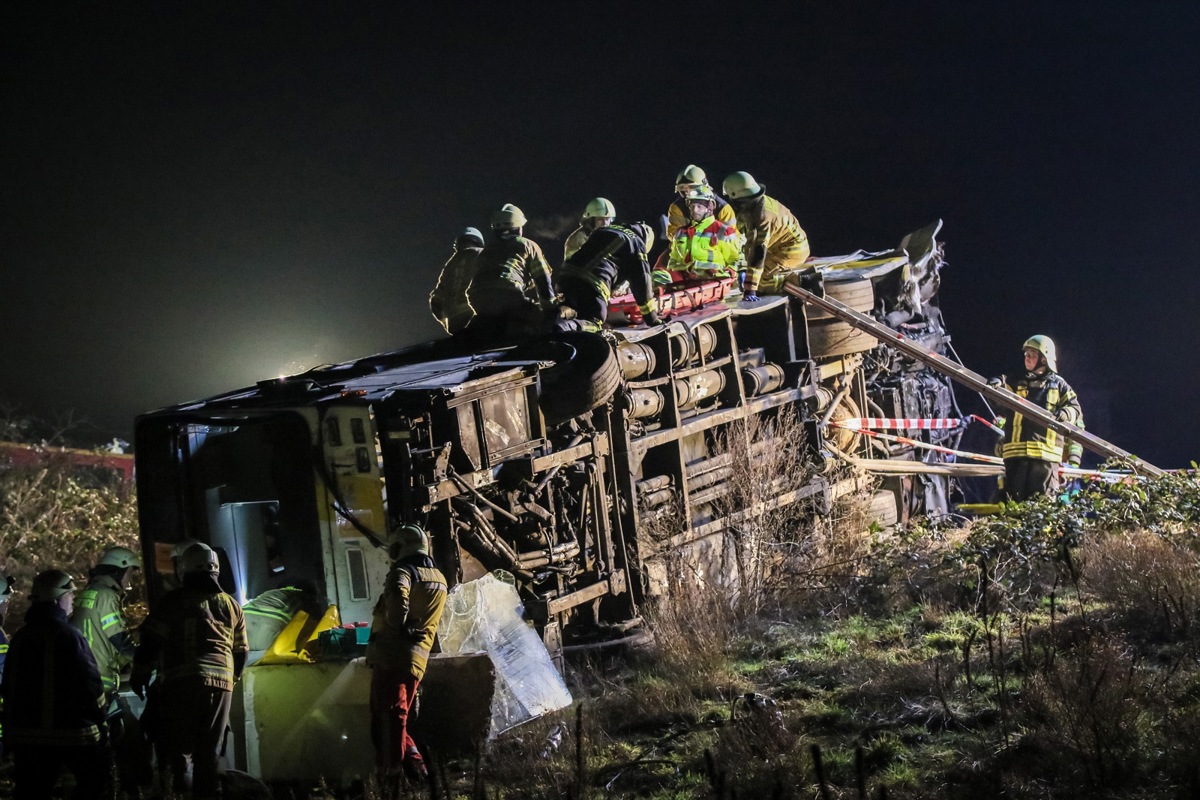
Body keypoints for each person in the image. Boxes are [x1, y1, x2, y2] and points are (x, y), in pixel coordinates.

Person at [131, 542, 248, 800]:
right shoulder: (232, 605)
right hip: (222, 686)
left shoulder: (173, 602)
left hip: (180, 684)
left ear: (184, 569)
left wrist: (139, 675)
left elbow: (151, 641)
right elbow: (241, 652)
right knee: (209, 753)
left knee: (179, 751)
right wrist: (230, 681)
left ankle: (180, 794)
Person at [2, 570, 111, 800]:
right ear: (56, 599)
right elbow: (90, 685)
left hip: (26, 739)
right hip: (71, 734)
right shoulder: (70, 636)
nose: (72, 600)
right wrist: (101, 718)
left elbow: (9, 686)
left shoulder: (21, 638)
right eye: (69, 595)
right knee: (94, 784)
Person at [366, 523, 448, 784]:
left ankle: (391, 778)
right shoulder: (440, 579)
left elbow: (398, 604)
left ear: (401, 547)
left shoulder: (403, 572)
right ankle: (418, 771)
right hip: (416, 661)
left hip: (392, 656)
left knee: (387, 719)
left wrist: (396, 625)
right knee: (399, 718)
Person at [992, 335, 1084, 502]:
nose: (1027, 358)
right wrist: (998, 381)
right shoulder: (1017, 382)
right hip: (1015, 454)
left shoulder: (1059, 385)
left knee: (1042, 504)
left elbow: (1075, 409)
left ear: (1044, 359)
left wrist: (1064, 414)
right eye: (1026, 354)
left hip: (1046, 458)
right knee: (1013, 504)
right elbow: (1002, 388)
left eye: (1032, 355)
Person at [71, 546, 140, 732]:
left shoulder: (89, 592)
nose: (130, 580)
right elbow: (118, 639)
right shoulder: (107, 596)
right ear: (119, 570)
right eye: (129, 574)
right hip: (100, 681)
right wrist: (145, 658)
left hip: (84, 677)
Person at [464, 203, 556, 342]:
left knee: (492, 322)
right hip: (508, 295)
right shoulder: (527, 244)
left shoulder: (487, 249)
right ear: (518, 227)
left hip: (477, 297)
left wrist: (524, 284)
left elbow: (494, 277)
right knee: (534, 316)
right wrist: (550, 310)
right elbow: (543, 280)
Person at [554, 221, 661, 331]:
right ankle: (565, 328)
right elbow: (642, 283)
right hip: (593, 283)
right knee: (594, 321)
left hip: (566, 275)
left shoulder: (605, 229)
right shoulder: (636, 242)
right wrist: (652, 319)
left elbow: (606, 259)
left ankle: (556, 315)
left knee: (574, 309)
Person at [721, 171, 811, 301]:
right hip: (777, 246)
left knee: (760, 284)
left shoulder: (761, 216)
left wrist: (750, 289)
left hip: (791, 249)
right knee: (745, 276)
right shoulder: (753, 205)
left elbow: (758, 252)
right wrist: (741, 267)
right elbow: (740, 239)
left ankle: (804, 282)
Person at [662, 185, 743, 284]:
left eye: (699, 206)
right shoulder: (681, 233)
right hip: (685, 286)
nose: (695, 210)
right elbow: (673, 262)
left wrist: (730, 273)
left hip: (713, 284)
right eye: (692, 206)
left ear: (710, 207)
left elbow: (734, 259)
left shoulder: (723, 232)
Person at [429, 227, 485, 336]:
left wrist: (446, 321)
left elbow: (435, 301)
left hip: (454, 321)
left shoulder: (450, 265)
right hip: (477, 315)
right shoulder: (484, 255)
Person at [242, 580, 324, 651]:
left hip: (242, 626)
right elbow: (319, 626)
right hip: (270, 635)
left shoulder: (270, 593)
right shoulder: (305, 597)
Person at [666, 164, 738, 240]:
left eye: (692, 188)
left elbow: (731, 237)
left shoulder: (723, 208)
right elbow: (675, 236)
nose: (688, 193)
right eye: (683, 190)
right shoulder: (677, 208)